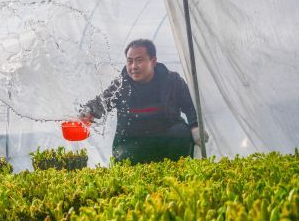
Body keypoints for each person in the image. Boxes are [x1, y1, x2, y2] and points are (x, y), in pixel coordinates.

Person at [80, 38, 208, 164]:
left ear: (153, 61)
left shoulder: (172, 81)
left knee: (181, 133)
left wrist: (195, 126)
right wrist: (88, 111)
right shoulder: (121, 86)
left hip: (165, 135)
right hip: (133, 141)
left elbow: (190, 107)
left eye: (139, 60)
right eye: (129, 61)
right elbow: (101, 102)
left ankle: (179, 175)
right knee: (125, 155)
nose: (134, 66)